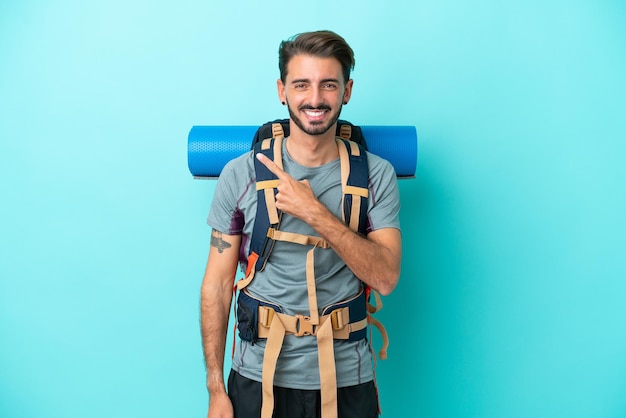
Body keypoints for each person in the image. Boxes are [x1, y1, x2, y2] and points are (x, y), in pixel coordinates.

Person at [200, 30, 402, 418]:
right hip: (256, 378)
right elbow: (218, 285)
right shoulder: (240, 175)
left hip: (346, 380)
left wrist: (315, 213)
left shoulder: (376, 175)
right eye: (301, 85)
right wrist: (215, 388)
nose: (315, 99)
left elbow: (387, 278)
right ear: (282, 90)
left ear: (347, 91)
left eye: (329, 85)